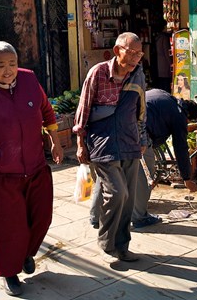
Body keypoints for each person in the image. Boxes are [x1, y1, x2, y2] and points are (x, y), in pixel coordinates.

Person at [0, 41, 64, 296]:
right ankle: (9, 273)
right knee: (8, 228)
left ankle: (27, 253)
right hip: (0, 174)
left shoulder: (29, 80)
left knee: (41, 217)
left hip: (35, 165)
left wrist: (55, 142)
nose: (8, 70)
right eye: (1, 65)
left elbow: (47, 112)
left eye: (12, 64)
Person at [72, 32, 147, 264]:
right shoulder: (99, 72)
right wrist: (80, 143)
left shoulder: (138, 75)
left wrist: (142, 139)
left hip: (129, 140)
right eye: (131, 52)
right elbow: (83, 109)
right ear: (117, 51)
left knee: (128, 197)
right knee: (117, 193)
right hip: (103, 143)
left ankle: (122, 246)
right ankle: (107, 242)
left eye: (139, 53)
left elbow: (141, 109)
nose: (135, 58)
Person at [89, 88, 197, 229]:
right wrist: (187, 178)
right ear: (188, 115)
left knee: (107, 173)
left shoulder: (161, 94)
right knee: (142, 178)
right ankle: (139, 217)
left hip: (112, 128)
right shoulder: (179, 115)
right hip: (137, 136)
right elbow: (181, 148)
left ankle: (96, 217)